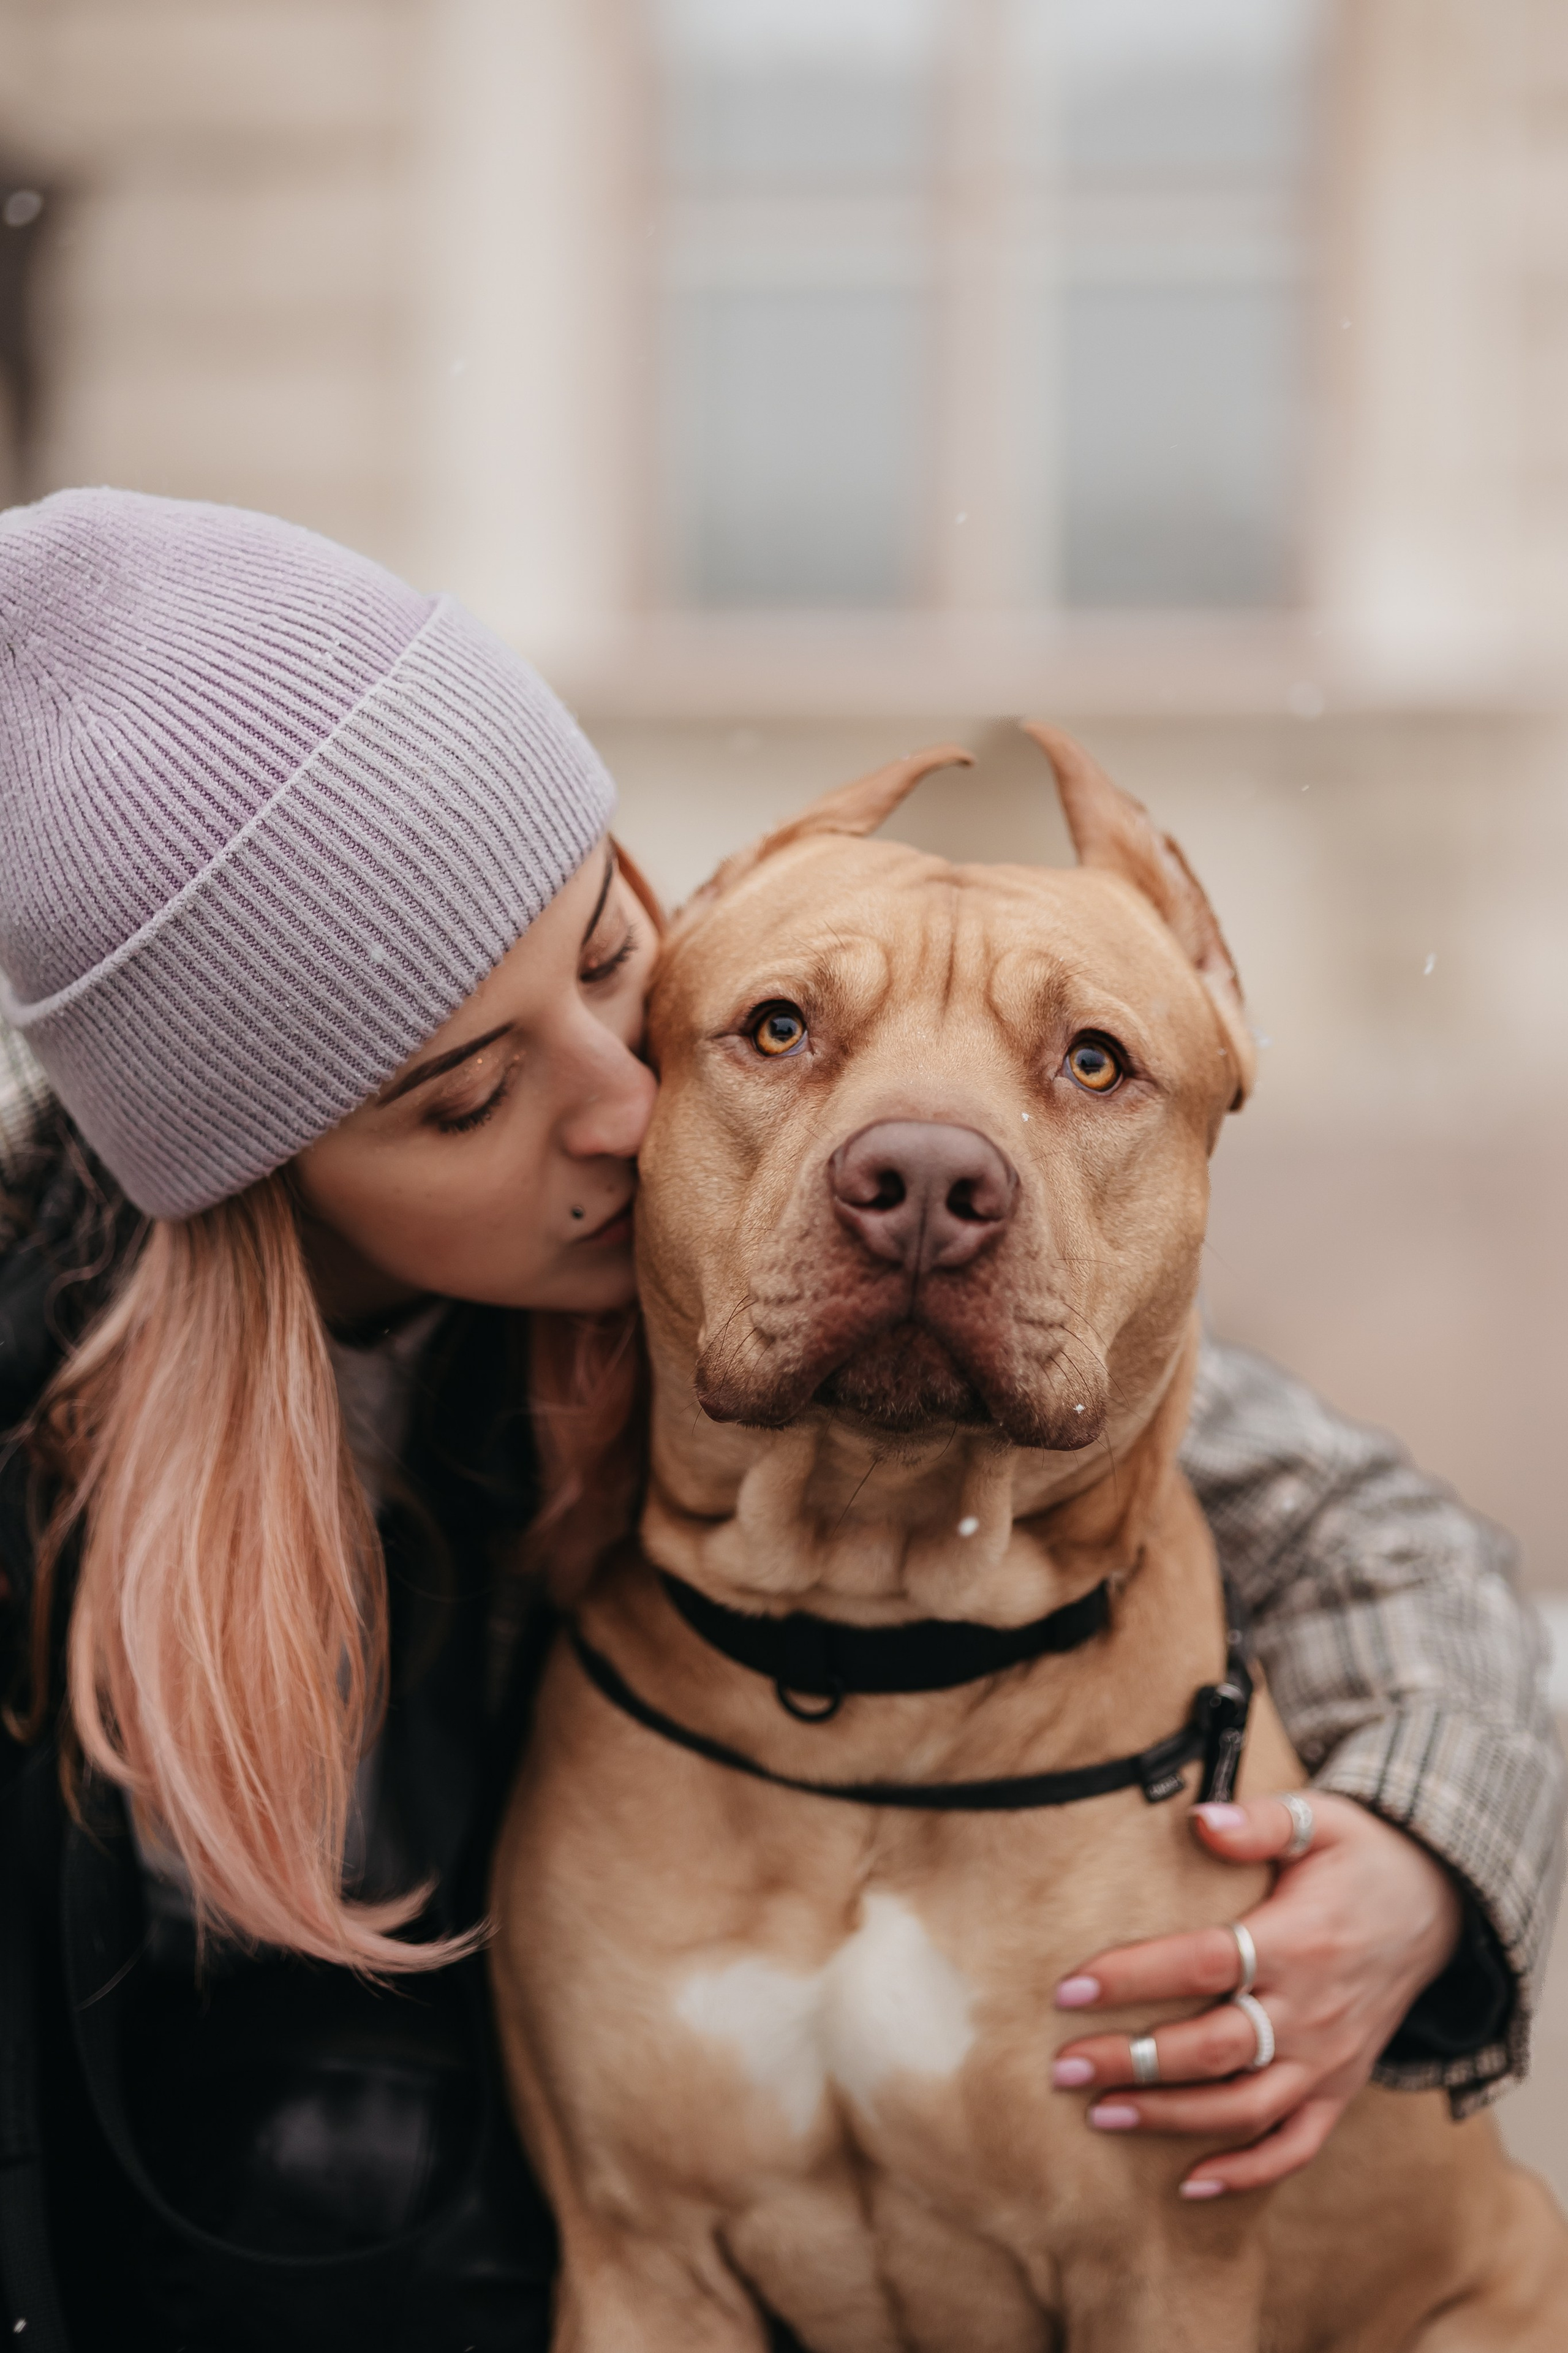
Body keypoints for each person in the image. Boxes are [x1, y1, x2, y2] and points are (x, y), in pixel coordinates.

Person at [0, 489, 1558, 2353]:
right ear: (266, 1187)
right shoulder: (58, 1483)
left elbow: (1370, 1532)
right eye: (468, 1095)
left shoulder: (743, 1256)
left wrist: (1423, 1860)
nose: (627, 1100)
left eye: (606, 964)